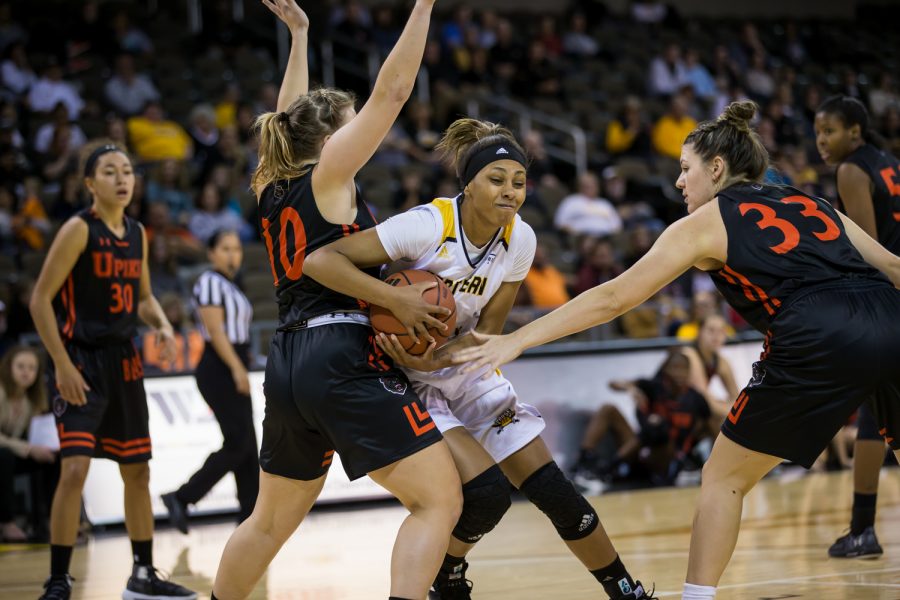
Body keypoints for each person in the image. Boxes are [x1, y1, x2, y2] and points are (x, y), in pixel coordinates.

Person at [452, 101, 900, 600]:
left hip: (816, 329)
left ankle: (696, 597)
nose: (679, 182)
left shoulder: (708, 221)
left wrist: (518, 339)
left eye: (685, 169)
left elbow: (613, 297)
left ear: (716, 168)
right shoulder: (812, 202)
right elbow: (894, 268)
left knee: (724, 479)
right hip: (891, 315)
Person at [304, 118, 655, 600]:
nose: (510, 191)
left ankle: (627, 593)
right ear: (468, 183)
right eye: (496, 179)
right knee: (486, 496)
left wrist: (443, 357)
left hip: (463, 366)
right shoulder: (427, 225)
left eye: (519, 182)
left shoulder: (522, 240)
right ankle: (445, 580)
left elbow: (489, 333)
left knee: (559, 495)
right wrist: (400, 303)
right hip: (404, 378)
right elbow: (320, 262)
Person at [211, 2, 463, 600]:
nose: (359, 134)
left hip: (290, 356)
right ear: (329, 140)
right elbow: (396, 90)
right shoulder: (329, 175)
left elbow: (286, 114)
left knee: (269, 521)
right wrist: (423, 4)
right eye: (349, 126)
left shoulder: (274, 182)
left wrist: (299, 35)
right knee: (438, 498)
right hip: (341, 352)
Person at [28, 139, 196, 600]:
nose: (122, 178)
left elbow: (142, 297)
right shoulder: (78, 230)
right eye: (109, 171)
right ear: (88, 183)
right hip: (79, 359)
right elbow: (40, 300)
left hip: (124, 361)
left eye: (127, 171)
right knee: (75, 469)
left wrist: (160, 323)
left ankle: (143, 573)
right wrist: (61, 364)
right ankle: (59, 579)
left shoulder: (138, 233)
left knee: (137, 470)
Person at [815, 95, 900, 558]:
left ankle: (863, 529)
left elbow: (868, 252)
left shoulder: (851, 171)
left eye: (828, 130)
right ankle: (861, 528)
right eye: (816, 132)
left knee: (877, 412)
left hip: (888, 297)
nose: (821, 141)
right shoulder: (888, 161)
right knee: (879, 413)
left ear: (854, 131)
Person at [161, 230, 258, 531]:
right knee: (238, 442)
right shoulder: (209, 283)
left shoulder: (231, 285)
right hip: (219, 367)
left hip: (232, 362)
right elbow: (216, 333)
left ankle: (249, 518)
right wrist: (237, 368)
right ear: (211, 253)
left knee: (248, 446)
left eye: (237, 249)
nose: (233, 255)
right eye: (225, 249)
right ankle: (182, 496)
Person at [571, 351, 711, 494]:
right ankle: (584, 461)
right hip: (639, 449)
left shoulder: (696, 399)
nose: (679, 373)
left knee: (659, 427)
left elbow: (708, 426)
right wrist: (630, 388)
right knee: (608, 409)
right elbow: (612, 384)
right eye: (675, 368)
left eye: (683, 369)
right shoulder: (652, 387)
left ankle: (606, 472)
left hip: (667, 457)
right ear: (666, 370)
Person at [0, 345, 57, 543]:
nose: (26, 372)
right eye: (21, 366)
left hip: (12, 452)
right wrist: (29, 449)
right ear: (9, 368)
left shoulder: (31, 399)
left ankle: (51, 520)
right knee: (4, 456)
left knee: (53, 458)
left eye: (32, 368)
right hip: (5, 454)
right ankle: (6, 522)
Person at [679, 314, 739, 422]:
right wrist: (736, 413)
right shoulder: (689, 354)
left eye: (721, 331)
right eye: (711, 330)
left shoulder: (721, 361)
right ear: (700, 332)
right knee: (721, 420)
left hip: (689, 411)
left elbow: (737, 398)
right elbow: (705, 401)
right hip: (663, 410)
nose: (716, 336)